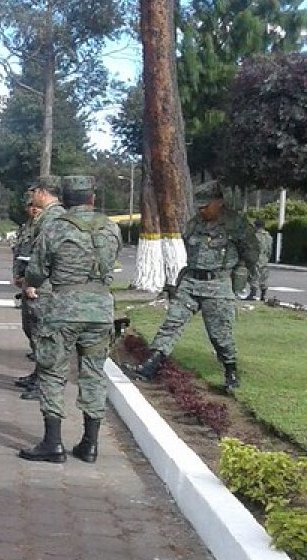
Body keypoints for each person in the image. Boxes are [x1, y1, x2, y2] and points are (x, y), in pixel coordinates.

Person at [18, 175, 122, 463]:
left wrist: (32, 282)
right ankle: (90, 444)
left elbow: (37, 270)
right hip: (101, 309)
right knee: (93, 374)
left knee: (52, 372)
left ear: (63, 198)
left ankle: (53, 443)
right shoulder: (111, 228)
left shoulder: (54, 227)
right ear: (92, 198)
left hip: (63, 309)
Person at [128, 182, 259, 391]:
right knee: (172, 323)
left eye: (206, 205)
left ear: (219, 202)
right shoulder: (195, 224)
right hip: (190, 282)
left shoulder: (237, 225)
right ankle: (150, 365)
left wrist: (245, 275)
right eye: (199, 206)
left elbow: (252, 254)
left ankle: (231, 371)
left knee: (220, 334)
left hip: (217, 284)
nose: (201, 210)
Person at [16, 177, 65, 401]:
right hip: (36, 282)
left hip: (44, 287)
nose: (32, 197)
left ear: (43, 192)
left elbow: (47, 255)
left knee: (44, 336)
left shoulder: (53, 217)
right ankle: (38, 375)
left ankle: (44, 383)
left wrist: (33, 282)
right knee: (34, 332)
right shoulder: (44, 217)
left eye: (35, 191)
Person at [247, 218, 273, 301]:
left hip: (255, 258)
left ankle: (253, 294)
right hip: (265, 259)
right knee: (264, 277)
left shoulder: (254, 236)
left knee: (253, 275)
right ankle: (263, 295)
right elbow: (270, 249)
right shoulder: (268, 236)